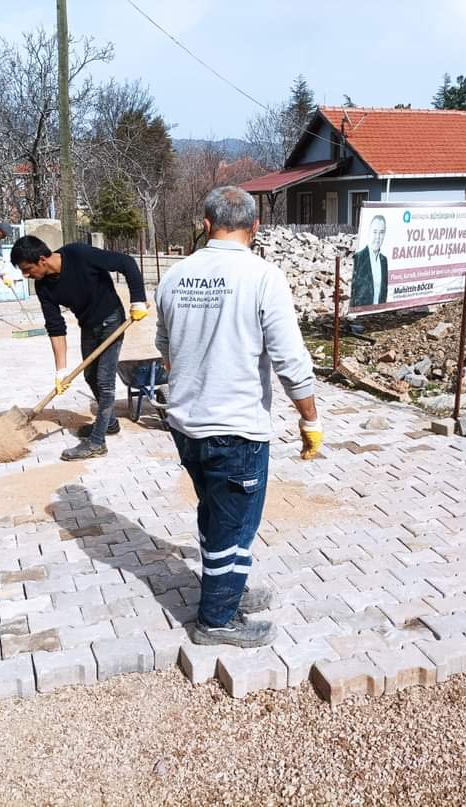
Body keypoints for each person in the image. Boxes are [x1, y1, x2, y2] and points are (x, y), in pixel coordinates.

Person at [155, 186, 323, 648]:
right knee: (235, 525)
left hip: (186, 425)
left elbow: (165, 349)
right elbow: (290, 358)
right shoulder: (263, 276)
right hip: (236, 430)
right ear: (255, 227)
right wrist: (309, 420)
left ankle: (228, 589)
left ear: (205, 224)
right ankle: (216, 620)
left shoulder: (175, 276)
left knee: (215, 512)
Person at [9, 235, 148, 461]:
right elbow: (55, 328)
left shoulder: (79, 254)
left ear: (42, 259)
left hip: (112, 320)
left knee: (105, 381)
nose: (26, 275)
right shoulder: (43, 286)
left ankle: (97, 442)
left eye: (27, 269)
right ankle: (109, 423)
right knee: (90, 376)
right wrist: (60, 371)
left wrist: (138, 300)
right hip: (88, 326)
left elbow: (126, 263)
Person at [351, 214, 389, 307]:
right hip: (361, 316)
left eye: (381, 232)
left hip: (377, 317)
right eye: (375, 232)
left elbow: (383, 291)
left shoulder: (384, 261)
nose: (378, 237)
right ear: (369, 232)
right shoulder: (359, 258)